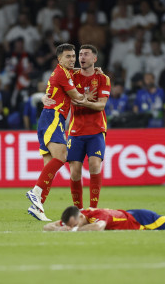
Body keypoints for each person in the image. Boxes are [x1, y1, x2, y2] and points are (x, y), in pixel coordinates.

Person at [26, 43, 90, 221]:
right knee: (62, 156)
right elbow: (76, 97)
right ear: (59, 59)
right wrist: (89, 98)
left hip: (49, 117)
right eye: (68, 56)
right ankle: (36, 192)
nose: (72, 59)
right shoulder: (62, 73)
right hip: (53, 117)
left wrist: (95, 69)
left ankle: (38, 206)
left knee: (49, 166)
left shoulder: (65, 72)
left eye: (73, 56)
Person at [65, 45, 111, 211]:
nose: (81, 57)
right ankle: (78, 210)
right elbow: (59, 74)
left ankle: (92, 209)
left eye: (86, 54)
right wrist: (86, 99)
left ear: (94, 59)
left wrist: (84, 101)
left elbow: (101, 106)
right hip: (76, 131)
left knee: (94, 165)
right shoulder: (72, 76)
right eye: (80, 54)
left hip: (96, 130)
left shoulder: (103, 79)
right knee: (75, 172)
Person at [43, 205, 165, 232]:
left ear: (81, 217)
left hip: (144, 220)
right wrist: (59, 227)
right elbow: (47, 227)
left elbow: (99, 228)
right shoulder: (80, 215)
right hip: (132, 214)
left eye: (75, 224)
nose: (73, 226)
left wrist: (73, 231)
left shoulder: (99, 216)